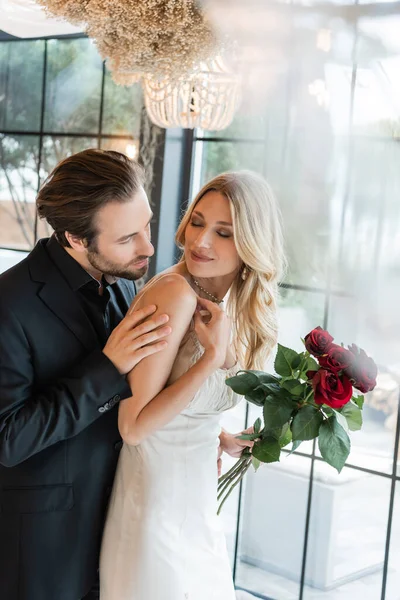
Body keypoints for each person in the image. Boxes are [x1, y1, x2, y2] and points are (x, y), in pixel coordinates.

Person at [0, 149, 250, 600]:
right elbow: (7, 439)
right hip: (47, 545)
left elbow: (140, 396)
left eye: (148, 225)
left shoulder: (129, 283)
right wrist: (107, 367)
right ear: (76, 237)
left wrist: (205, 433)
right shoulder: (9, 304)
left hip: (128, 524)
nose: (149, 248)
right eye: (128, 238)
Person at [100, 170, 285, 600]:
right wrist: (211, 363)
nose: (201, 242)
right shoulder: (175, 294)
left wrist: (220, 437)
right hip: (154, 512)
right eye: (198, 222)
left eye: (224, 232)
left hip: (196, 507)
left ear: (252, 244)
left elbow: (175, 404)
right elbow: (133, 427)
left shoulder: (229, 303)